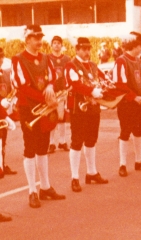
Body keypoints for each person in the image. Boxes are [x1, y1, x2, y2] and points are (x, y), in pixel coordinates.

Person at [11, 25, 65, 208]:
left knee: (43, 147)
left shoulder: (45, 58)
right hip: (29, 108)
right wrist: (46, 98)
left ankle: (46, 187)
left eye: (40, 37)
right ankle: (32, 191)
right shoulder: (18, 59)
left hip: (45, 107)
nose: (39, 40)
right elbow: (22, 87)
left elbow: (52, 77)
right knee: (30, 148)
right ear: (27, 40)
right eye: (35, 37)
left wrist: (50, 87)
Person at [65, 37, 108, 192]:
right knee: (77, 141)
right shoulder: (71, 65)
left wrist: (104, 88)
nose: (86, 52)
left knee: (91, 140)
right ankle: (74, 177)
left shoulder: (93, 65)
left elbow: (103, 79)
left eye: (88, 49)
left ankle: (91, 172)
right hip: (78, 108)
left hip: (93, 108)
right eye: (83, 49)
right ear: (77, 50)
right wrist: (91, 91)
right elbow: (75, 85)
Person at [112, 31, 141, 177]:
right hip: (126, 104)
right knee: (125, 133)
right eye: (140, 45)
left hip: (137, 103)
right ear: (134, 45)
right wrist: (133, 97)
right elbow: (119, 84)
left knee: (138, 131)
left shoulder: (137, 61)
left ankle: (139, 160)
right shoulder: (121, 60)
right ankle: (122, 164)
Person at [48, 36, 71, 153]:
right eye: (54, 43)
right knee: (51, 117)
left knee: (62, 117)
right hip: (51, 91)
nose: (56, 45)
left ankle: (62, 141)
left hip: (62, 91)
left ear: (62, 45)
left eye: (58, 43)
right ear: (51, 45)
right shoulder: (47, 58)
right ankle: (51, 143)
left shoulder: (66, 58)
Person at [0, 47, 17, 177]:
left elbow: (9, 90)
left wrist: (11, 100)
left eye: (1, 56)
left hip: (3, 112)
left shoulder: (4, 73)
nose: (0, 59)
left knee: (3, 140)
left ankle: (2, 164)